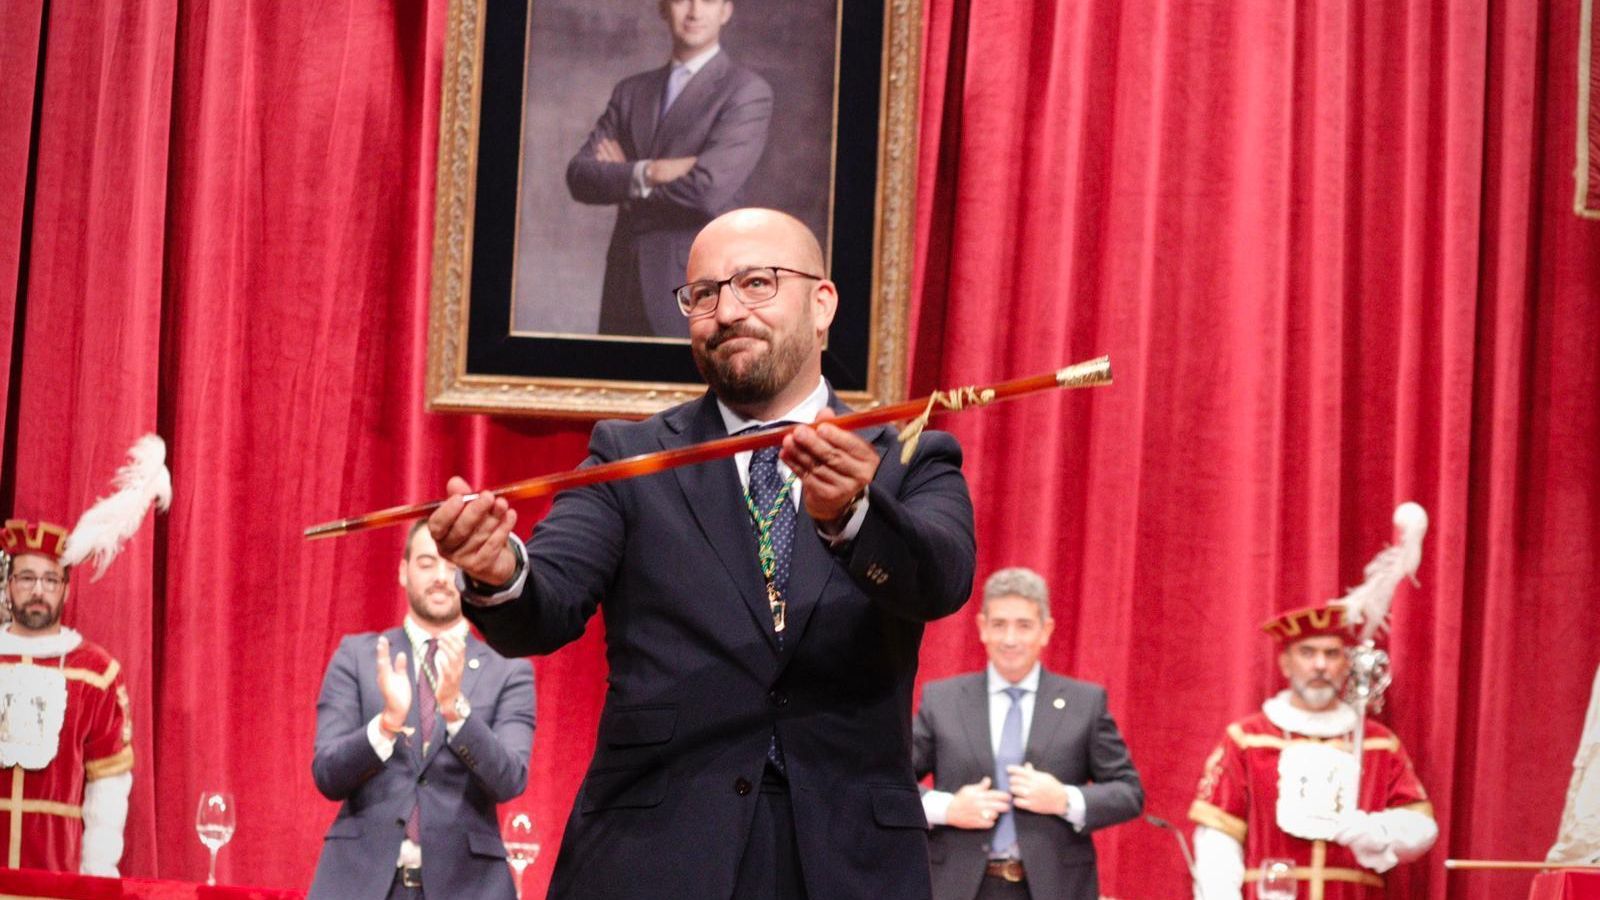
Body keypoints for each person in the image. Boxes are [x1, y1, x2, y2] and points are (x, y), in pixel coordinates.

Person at [429, 207, 977, 900]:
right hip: (656, 853)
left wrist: (855, 515)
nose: (726, 311)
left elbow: (941, 580)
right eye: (704, 295)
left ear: (822, 302)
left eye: (756, 283)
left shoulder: (906, 454)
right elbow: (547, 600)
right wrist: (496, 569)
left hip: (849, 857)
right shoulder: (630, 456)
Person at [309, 521, 535, 900]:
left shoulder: (509, 670)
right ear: (403, 571)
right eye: (428, 563)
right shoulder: (358, 657)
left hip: (469, 888)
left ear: (469, 575)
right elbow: (327, 775)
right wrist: (386, 724)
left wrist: (455, 711)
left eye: (452, 566)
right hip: (357, 883)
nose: (441, 578)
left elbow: (510, 779)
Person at [913, 567, 1144, 900]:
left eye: (1023, 626)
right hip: (957, 886)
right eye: (999, 625)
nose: (1010, 639)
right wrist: (948, 808)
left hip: (1055, 888)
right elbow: (892, 781)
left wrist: (1064, 799)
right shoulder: (943, 700)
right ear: (982, 628)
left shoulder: (1085, 703)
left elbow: (1129, 792)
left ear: (1045, 630)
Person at [1189, 604, 1438, 899]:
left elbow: (1421, 826)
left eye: (1331, 654)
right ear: (1285, 664)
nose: (1320, 665)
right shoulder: (1248, 740)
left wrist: (1379, 830)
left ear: (1346, 664)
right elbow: (1218, 839)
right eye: (1307, 653)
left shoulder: (1378, 743)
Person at [567, 0, 774, 338]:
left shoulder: (746, 92)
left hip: (695, 283)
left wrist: (626, 183)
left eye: (708, 1)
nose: (694, 11)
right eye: (682, 0)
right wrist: (650, 172)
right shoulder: (631, 92)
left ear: (726, 10)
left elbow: (706, 192)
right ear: (663, 8)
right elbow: (579, 177)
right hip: (624, 278)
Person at [0, 519, 133, 875]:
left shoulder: (95, 672)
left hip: (56, 878)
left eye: (50, 580)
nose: (38, 590)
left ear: (66, 590)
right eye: (27, 578)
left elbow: (108, 788)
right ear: (9, 586)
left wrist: (96, 877)